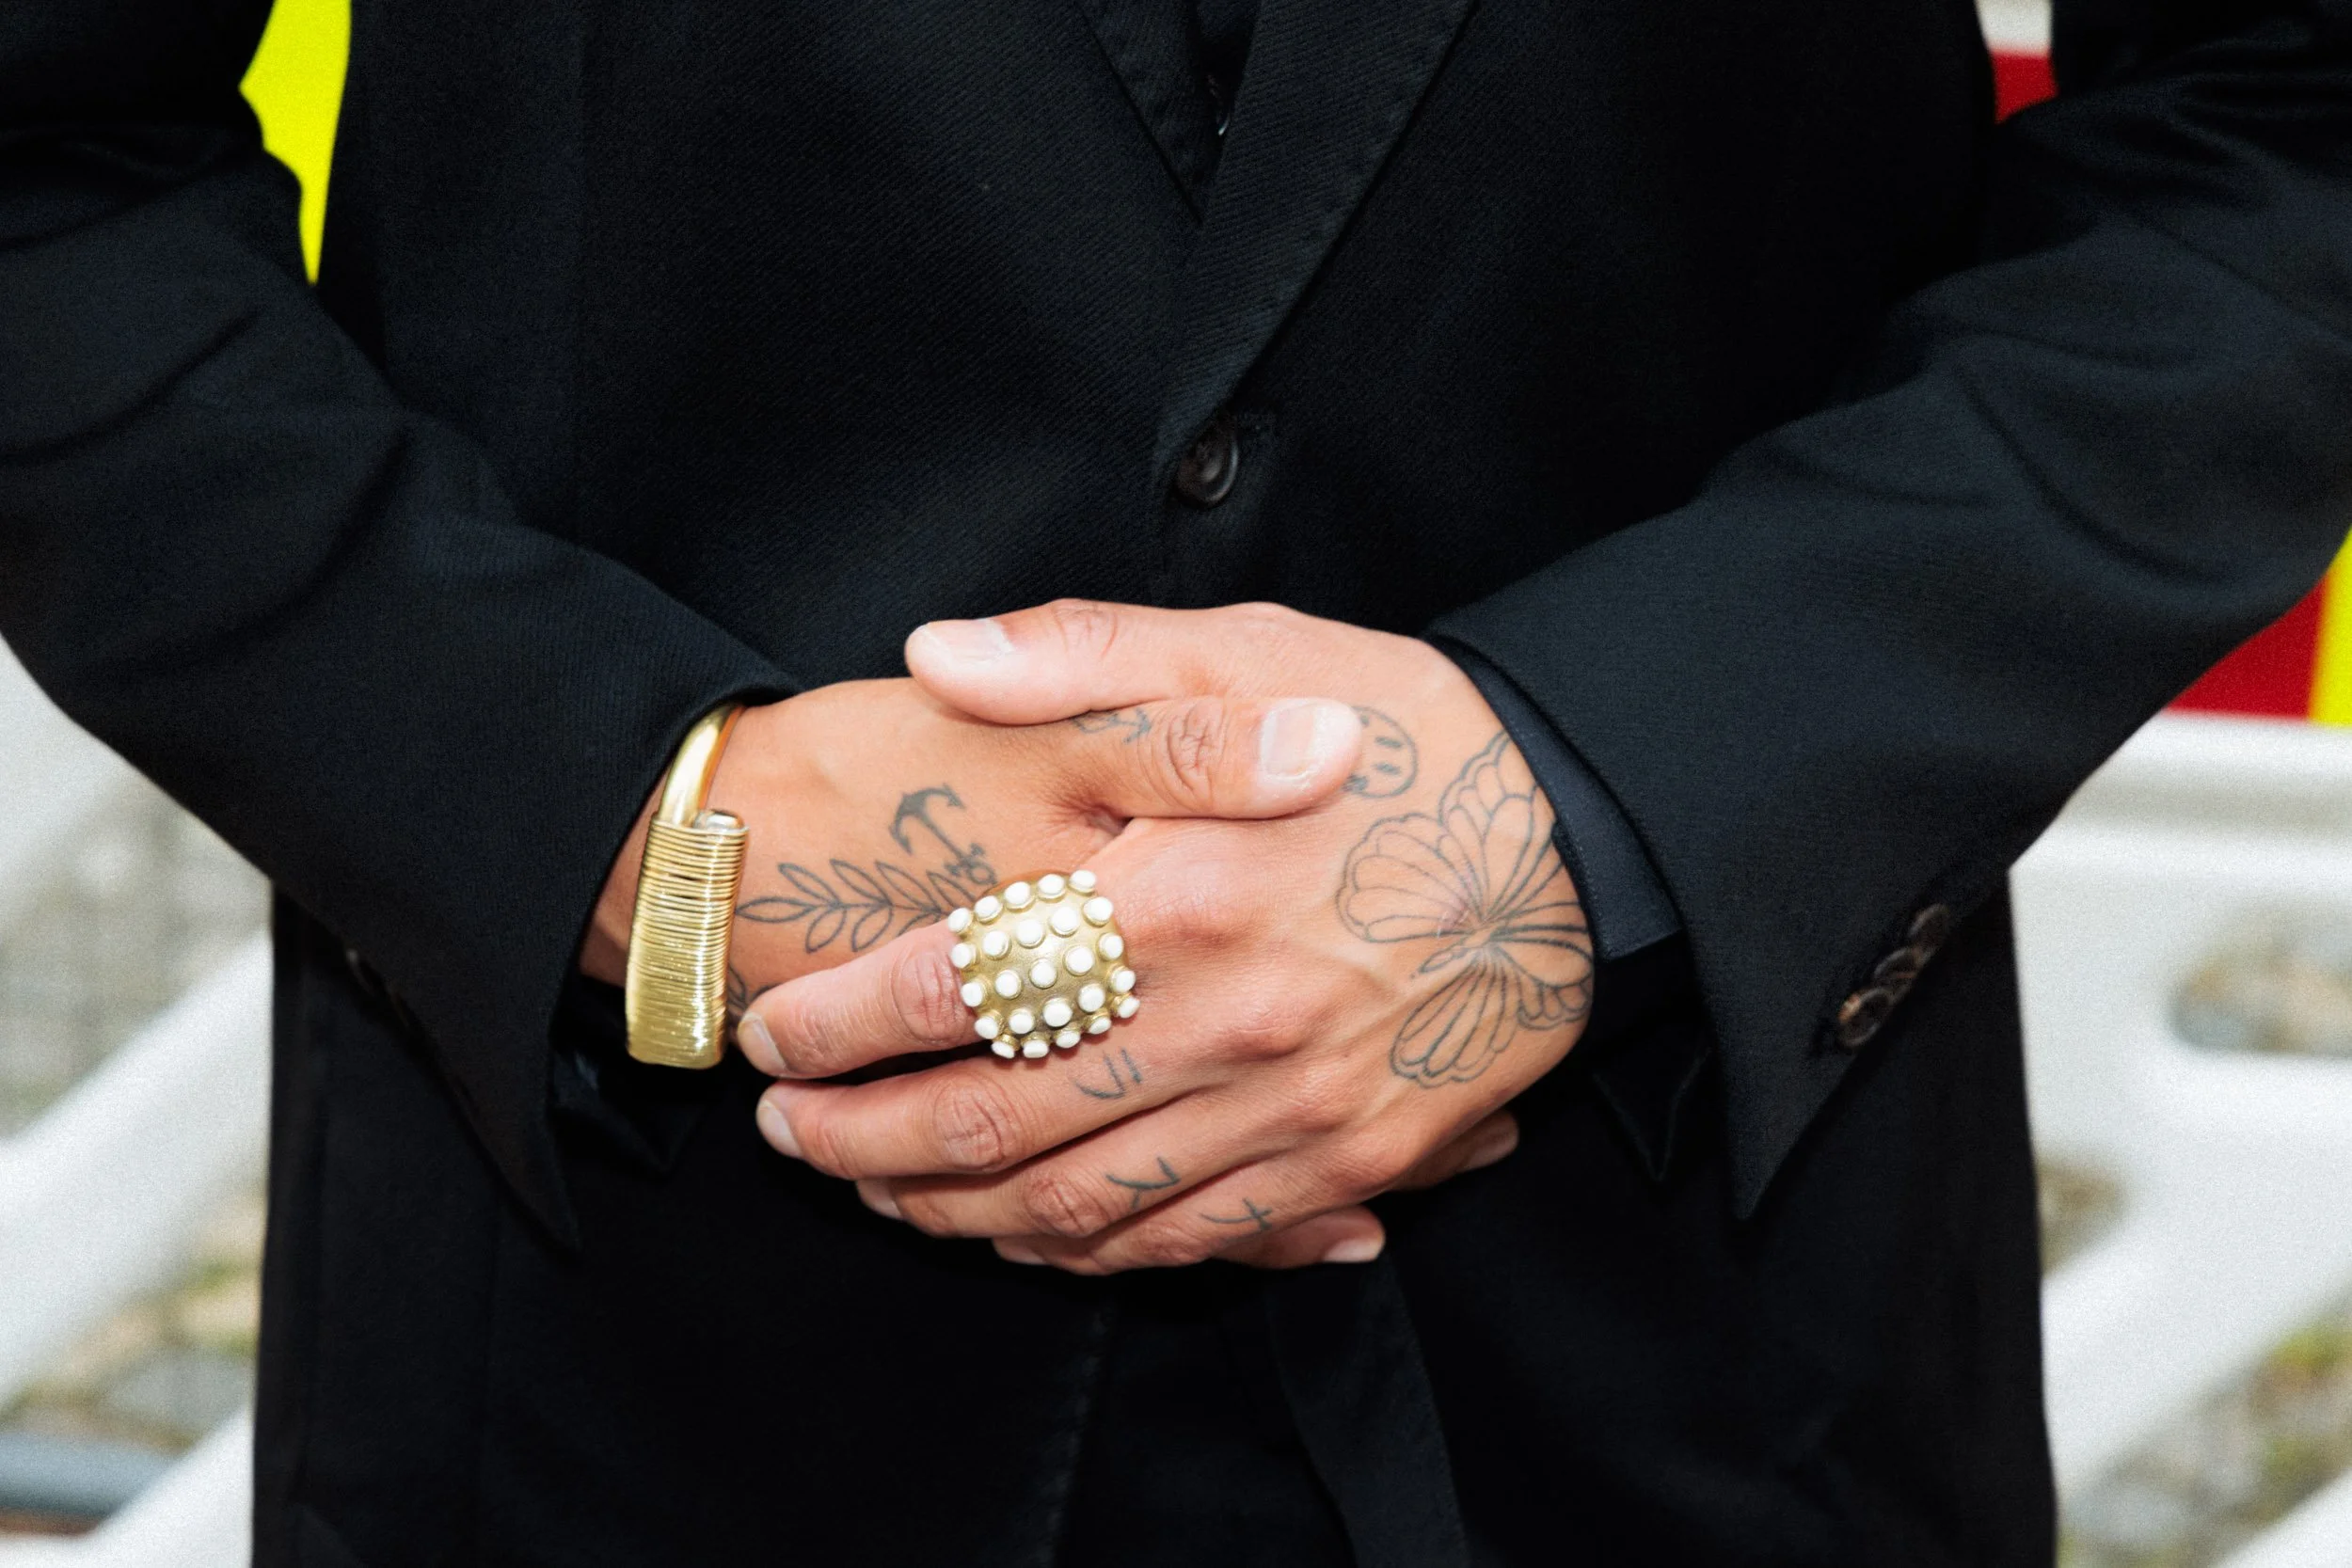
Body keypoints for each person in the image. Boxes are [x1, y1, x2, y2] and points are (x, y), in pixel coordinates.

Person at [4, 0, 2349, 1560]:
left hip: (1684, 1345)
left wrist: (1605, 796)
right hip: (623, 1355)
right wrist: (623, 814)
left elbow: (2290, 119)